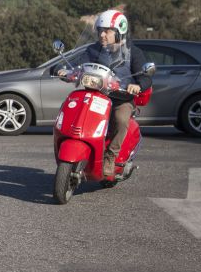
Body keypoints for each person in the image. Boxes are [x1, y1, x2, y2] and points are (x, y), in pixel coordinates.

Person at [64, 9, 153, 176]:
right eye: (100, 31)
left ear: (119, 32)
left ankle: (110, 156)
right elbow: (78, 64)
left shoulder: (133, 52)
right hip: (97, 95)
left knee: (120, 119)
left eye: (107, 31)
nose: (102, 35)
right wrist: (66, 70)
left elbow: (145, 75)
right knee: (77, 111)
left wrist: (138, 85)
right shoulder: (94, 50)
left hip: (121, 99)